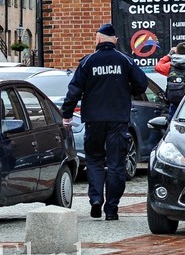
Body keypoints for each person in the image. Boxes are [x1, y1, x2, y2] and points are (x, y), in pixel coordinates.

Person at [61, 23, 148, 221]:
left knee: (95, 161)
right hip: (118, 120)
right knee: (117, 164)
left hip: (93, 120)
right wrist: (127, 90)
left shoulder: (87, 62)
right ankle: (112, 209)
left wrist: (66, 115)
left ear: (98, 40)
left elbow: (73, 90)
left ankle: (96, 200)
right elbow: (142, 84)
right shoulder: (125, 61)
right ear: (115, 40)